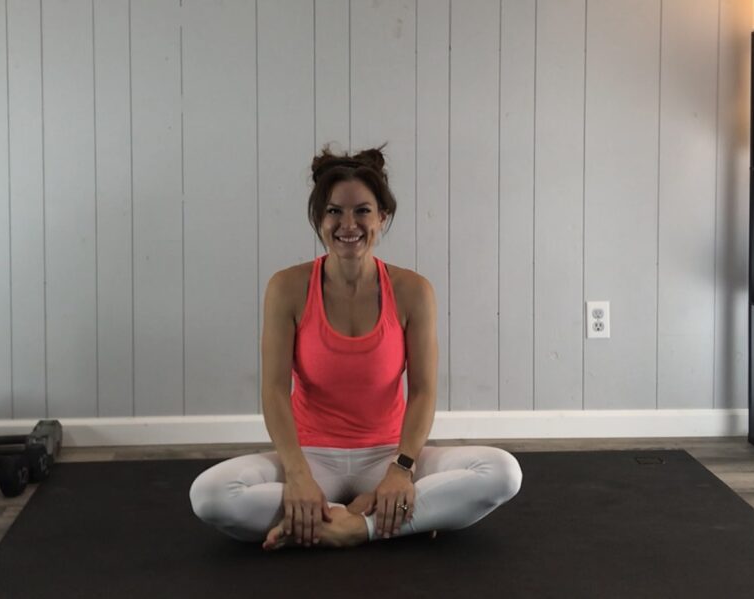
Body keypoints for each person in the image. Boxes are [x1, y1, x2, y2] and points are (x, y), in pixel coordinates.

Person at [189, 145, 522, 550]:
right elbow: (275, 390)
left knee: (503, 472)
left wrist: (400, 472)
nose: (349, 224)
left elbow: (423, 392)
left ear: (382, 217)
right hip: (311, 456)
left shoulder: (413, 291)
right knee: (210, 494)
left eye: (362, 211)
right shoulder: (287, 288)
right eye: (334, 211)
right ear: (318, 219)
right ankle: (383, 518)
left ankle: (337, 527)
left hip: (388, 455)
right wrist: (297, 475)